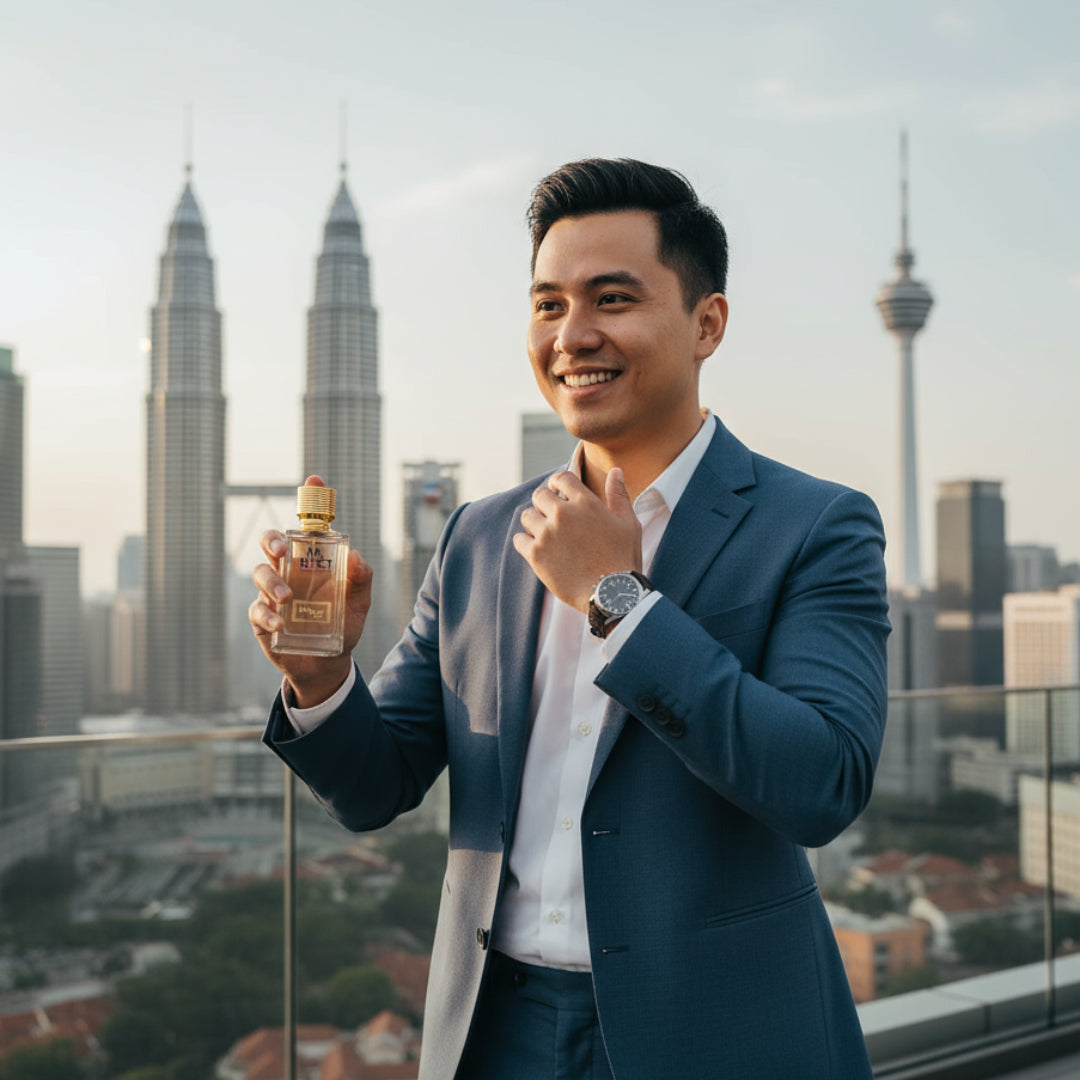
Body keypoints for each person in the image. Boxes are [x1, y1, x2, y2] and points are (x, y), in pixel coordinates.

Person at [250, 158, 890, 1080]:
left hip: (714, 1032)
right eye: (548, 304)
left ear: (707, 323)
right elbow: (374, 787)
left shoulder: (815, 525)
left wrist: (617, 602)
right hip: (493, 1029)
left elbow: (822, 782)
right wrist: (318, 679)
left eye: (612, 298)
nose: (572, 334)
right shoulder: (478, 537)